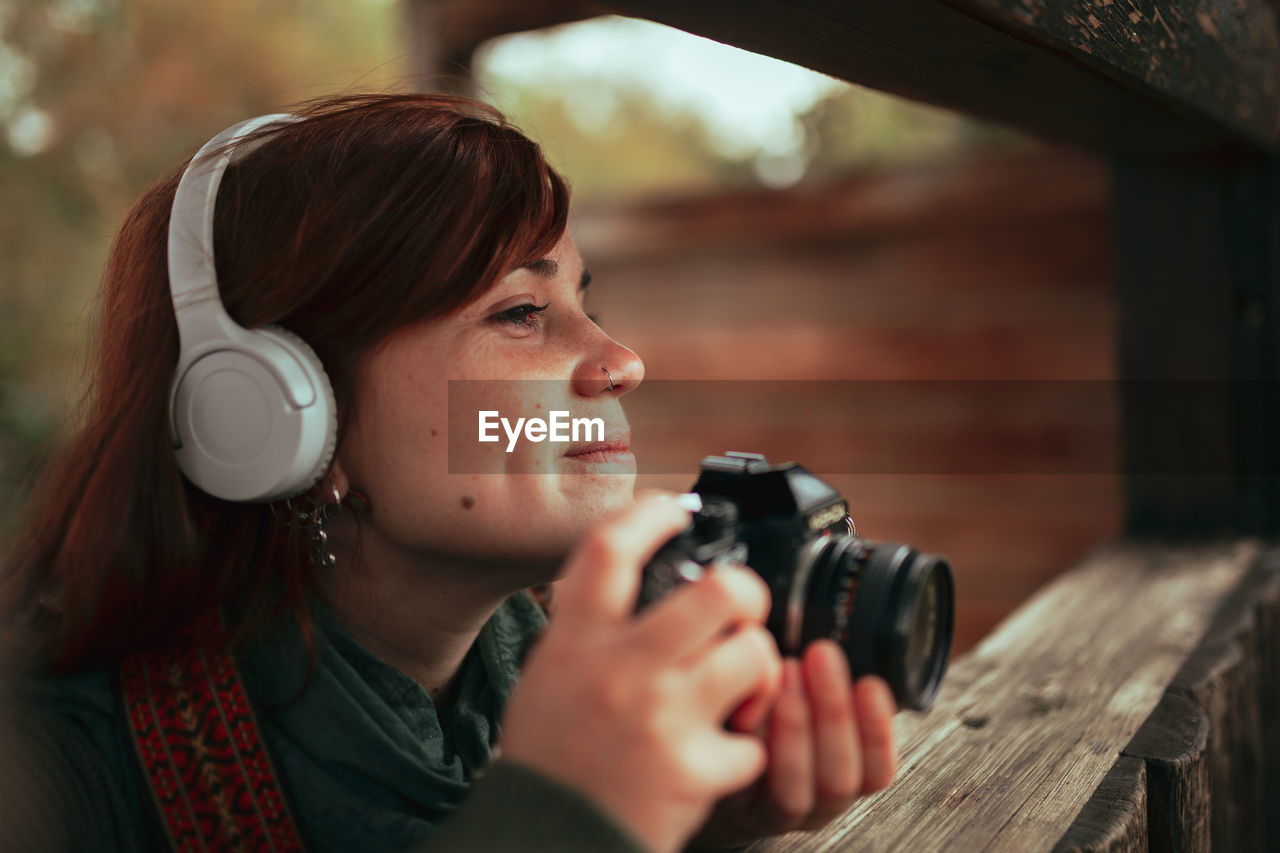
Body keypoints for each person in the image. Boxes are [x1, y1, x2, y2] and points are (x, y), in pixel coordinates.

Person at [1, 92, 898, 853]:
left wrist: (688, 827)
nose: (621, 361)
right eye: (518, 311)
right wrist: (559, 821)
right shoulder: (58, 782)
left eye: (586, 303)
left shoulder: (600, 696)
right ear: (283, 414)